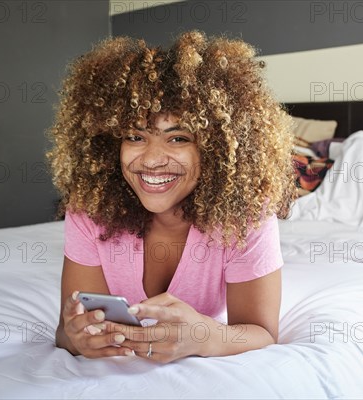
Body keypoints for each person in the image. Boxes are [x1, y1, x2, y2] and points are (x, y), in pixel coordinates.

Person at [47, 31, 296, 363]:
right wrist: (77, 338)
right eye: (135, 136)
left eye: (178, 138)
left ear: (215, 148)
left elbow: (261, 332)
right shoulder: (90, 210)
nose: (151, 160)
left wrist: (203, 336)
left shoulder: (245, 218)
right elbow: (67, 331)